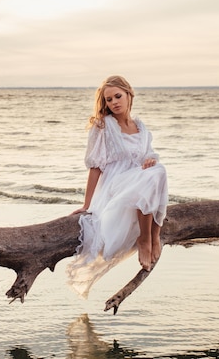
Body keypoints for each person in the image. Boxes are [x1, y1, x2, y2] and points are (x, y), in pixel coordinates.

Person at [66, 75, 168, 298]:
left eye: (118, 96)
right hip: (115, 184)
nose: (114, 102)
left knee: (158, 170)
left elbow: (147, 155)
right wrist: (87, 204)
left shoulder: (141, 127)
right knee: (153, 176)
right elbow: (95, 167)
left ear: (129, 94)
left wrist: (149, 161)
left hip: (138, 180)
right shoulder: (102, 126)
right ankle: (145, 238)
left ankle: (154, 234)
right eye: (109, 99)